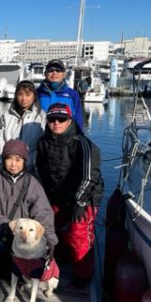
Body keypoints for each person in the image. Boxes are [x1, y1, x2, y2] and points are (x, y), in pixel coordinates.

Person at [36, 102, 104, 287]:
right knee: (49, 227)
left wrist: (80, 202)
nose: (56, 123)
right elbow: (41, 172)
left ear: (70, 120)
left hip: (85, 197)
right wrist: (42, 198)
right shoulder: (43, 142)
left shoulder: (82, 143)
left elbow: (90, 176)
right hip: (58, 195)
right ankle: (59, 258)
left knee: (77, 233)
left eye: (61, 119)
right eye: (52, 119)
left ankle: (83, 273)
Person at [0, 139, 58, 280]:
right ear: (3, 160)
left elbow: (43, 213)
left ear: (24, 161)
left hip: (25, 237)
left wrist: (49, 239)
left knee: (27, 274)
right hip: (3, 233)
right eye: (9, 159)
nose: (13, 164)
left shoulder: (32, 183)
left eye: (18, 159)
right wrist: (7, 227)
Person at [0, 80, 46, 173]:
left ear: (34, 96)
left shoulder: (41, 116)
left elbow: (42, 141)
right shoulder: (6, 115)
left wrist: (32, 160)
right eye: (20, 94)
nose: (23, 99)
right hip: (10, 164)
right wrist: (7, 157)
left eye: (28, 95)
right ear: (16, 96)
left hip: (31, 165)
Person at [36, 59, 84, 131]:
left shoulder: (73, 94)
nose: (54, 73)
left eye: (58, 70)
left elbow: (78, 118)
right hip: (41, 134)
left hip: (66, 136)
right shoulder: (37, 93)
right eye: (51, 70)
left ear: (64, 74)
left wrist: (80, 134)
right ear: (45, 74)